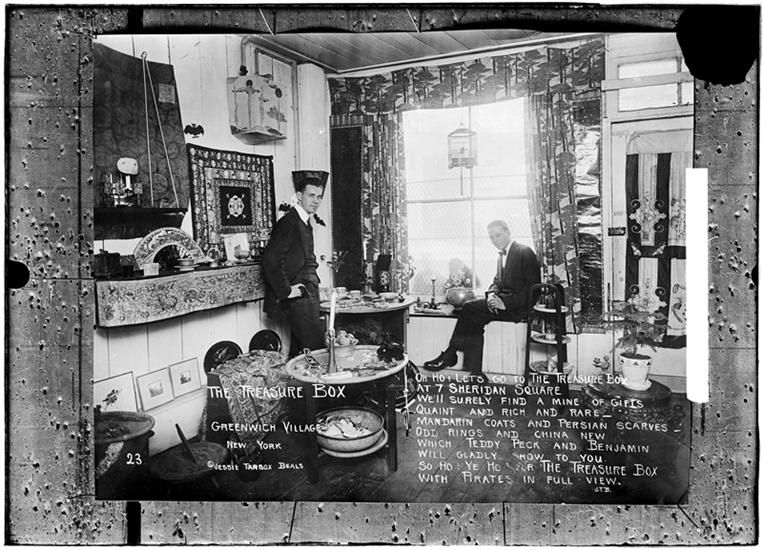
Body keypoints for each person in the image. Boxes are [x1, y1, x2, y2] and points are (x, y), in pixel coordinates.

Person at [424, 220, 541, 375]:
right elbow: (496, 282)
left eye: (498, 235)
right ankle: (476, 374)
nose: (495, 240)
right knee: (474, 321)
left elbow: (534, 290)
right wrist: (492, 294)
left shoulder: (524, 251)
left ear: (508, 232)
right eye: (491, 237)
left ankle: (451, 353)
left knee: (468, 307)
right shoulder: (501, 257)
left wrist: (505, 304)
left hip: (517, 309)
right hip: (501, 304)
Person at [263, 170, 329, 357]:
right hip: (298, 295)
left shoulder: (305, 221)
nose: (316, 201)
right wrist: (286, 290)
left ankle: (297, 376)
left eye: (319, 197)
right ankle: (314, 377)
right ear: (299, 196)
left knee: (301, 350)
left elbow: (303, 258)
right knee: (315, 349)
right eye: (311, 195)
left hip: (308, 291)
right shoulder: (288, 223)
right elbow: (270, 259)